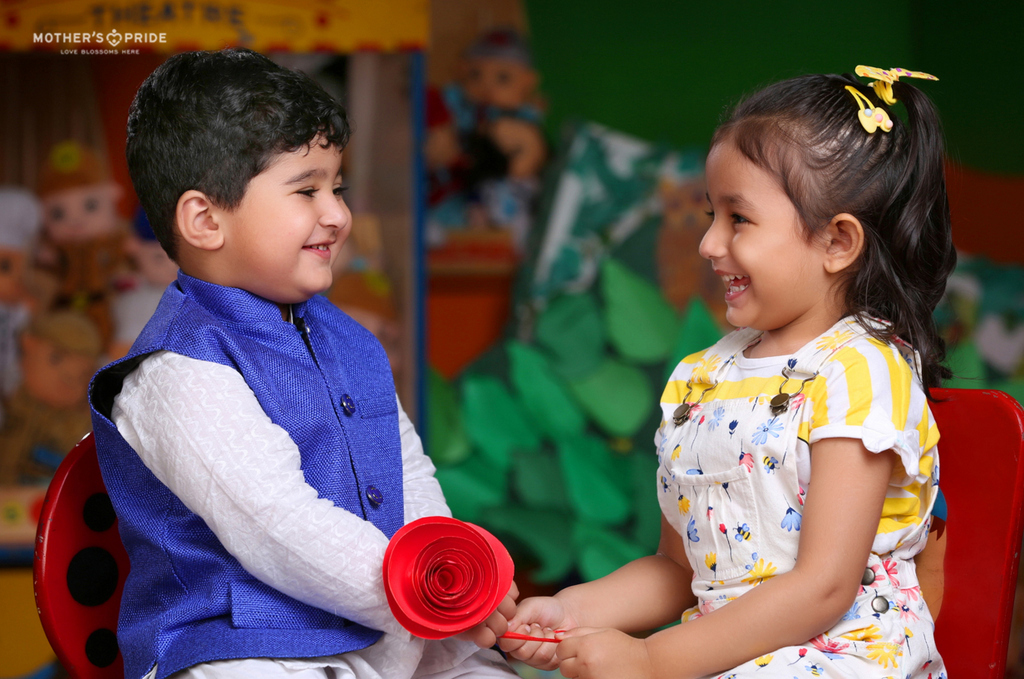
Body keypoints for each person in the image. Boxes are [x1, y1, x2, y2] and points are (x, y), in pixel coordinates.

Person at [503, 67, 954, 678]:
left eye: (738, 219)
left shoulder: (860, 370)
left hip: (845, 658)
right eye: (711, 214)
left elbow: (824, 587)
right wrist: (571, 610)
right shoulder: (703, 378)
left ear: (837, 242)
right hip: (730, 658)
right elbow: (677, 570)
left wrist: (651, 659)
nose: (709, 244)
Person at [88, 48, 517, 679]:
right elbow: (279, 525)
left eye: (337, 187)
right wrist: (423, 594)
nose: (338, 214)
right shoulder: (177, 372)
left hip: (386, 628)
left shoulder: (354, 342)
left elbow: (408, 475)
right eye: (307, 190)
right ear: (205, 220)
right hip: (240, 643)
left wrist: (451, 574)